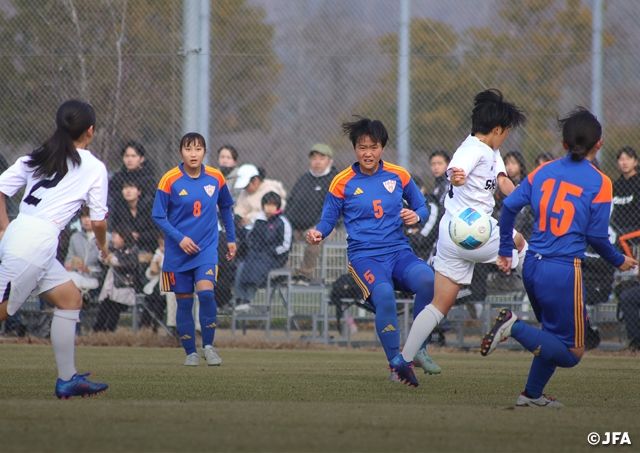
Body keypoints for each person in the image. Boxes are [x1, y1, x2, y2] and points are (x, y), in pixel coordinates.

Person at [479, 107, 637, 407]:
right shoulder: (601, 182)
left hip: (531, 264)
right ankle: (513, 326)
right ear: (599, 144)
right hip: (563, 271)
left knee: (552, 336)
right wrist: (619, 260)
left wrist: (504, 249)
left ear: (564, 143)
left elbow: (509, 206)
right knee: (571, 353)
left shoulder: (543, 171)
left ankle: (531, 394)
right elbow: (596, 237)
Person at [389, 89, 528, 387]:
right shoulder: (474, 147)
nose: (507, 137)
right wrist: (456, 175)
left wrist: (524, 197)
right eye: (507, 131)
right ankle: (549, 309)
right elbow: (457, 168)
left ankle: (403, 360)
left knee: (439, 304)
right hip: (473, 228)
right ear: (497, 129)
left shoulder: (491, 151)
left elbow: (502, 181)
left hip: (451, 233)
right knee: (520, 244)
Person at [307, 116, 441, 382]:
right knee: (384, 294)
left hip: (398, 252)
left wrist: (417, 216)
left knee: (428, 280)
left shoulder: (399, 174)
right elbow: (328, 220)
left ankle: (419, 349)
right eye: (362, 147)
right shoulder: (341, 182)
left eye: (373, 147)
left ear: (382, 148)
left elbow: (422, 207)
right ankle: (397, 366)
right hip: (365, 257)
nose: (368, 153)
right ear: (355, 149)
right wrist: (318, 232)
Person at [0, 99, 109, 399]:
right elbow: (98, 221)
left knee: (70, 300)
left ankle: (68, 379)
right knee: (4, 311)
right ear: (90, 131)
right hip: (34, 244)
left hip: (26, 235)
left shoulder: (38, 156)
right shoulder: (94, 167)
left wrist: (4, 227)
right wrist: (103, 246)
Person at [152, 132, 236, 366]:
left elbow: (226, 207)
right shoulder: (169, 179)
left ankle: (208, 346)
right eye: (188, 149)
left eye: (198, 149)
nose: (193, 154)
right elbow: (158, 215)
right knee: (184, 302)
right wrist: (180, 239)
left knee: (207, 294)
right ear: (181, 152)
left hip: (206, 248)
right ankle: (190, 352)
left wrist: (231, 238)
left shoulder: (216, 177)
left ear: (205, 152)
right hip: (177, 252)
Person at [285, 143, 339, 285]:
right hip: (297, 224)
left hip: (324, 224)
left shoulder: (336, 181)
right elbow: (290, 202)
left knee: (315, 237)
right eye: (314, 158)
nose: (317, 162)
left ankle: (304, 275)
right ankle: (288, 273)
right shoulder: (303, 179)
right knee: (278, 236)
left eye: (322, 158)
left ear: (330, 161)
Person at [234, 192, 293, 311]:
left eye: (273, 205)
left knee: (257, 267)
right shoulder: (258, 219)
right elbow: (251, 236)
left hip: (274, 257)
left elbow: (286, 245)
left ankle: (247, 299)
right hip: (256, 254)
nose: (269, 208)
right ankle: (239, 299)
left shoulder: (282, 222)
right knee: (242, 266)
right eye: (267, 205)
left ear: (278, 206)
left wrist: (272, 251)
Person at [93, 227, 140, 333]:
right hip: (111, 288)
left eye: (114, 237)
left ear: (123, 238)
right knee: (105, 306)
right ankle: (97, 331)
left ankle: (108, 331)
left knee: (114, 306)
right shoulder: (114, 249)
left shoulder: (132, 249)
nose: (112, 239)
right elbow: (103, 261)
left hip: (124, 288)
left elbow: (128, 265)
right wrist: (104, 252)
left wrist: (113, 259)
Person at [65, 206, 110, 296]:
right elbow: (68, 260)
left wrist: (89, 270)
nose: (86, 220)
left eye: (89, 216)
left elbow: (105, 268)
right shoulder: (75, 237)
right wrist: (71, 265)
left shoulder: (106, 237)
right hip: (76, 275)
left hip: (95, 279)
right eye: (83, 217)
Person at [216, 145, 241, 309]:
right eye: (222, 157)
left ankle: (223, 298)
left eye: (228, 157)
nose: (224, 160)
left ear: (235, 161)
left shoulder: (239, 179)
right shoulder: (212, 176)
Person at [109, 179, 158, 253]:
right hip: (126, 244)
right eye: (125, 187)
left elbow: (157, 231)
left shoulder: (150, 207)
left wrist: (139, 236)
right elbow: (116, 227)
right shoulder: (119, 207)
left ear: (139, 192)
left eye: (132, 187)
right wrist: (129, 234)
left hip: (149, 246)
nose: (128, 191)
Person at [234, 164, 287, 230]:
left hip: (266, 228)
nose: (245, 189)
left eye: (246, 186)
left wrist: (251, 219)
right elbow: (239, 209)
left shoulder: (269, 190)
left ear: (255, 180)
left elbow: (273, 211)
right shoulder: (245, 192)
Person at [109, 140, 156, 207]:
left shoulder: (149, 178)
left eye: (133, 156)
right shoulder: (118, 177)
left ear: (142, 159)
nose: (129, 160)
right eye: (126, 156)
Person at [611, 147, 640, 252]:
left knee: (617, 238)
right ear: (617, 163)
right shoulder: (616, 186)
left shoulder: (638, 182)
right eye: (621, 159)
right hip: (618, 228)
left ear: (635, 162)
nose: (625, 162)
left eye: (628, 159)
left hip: (636, 228)